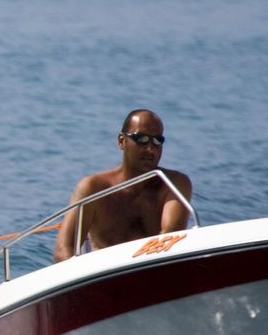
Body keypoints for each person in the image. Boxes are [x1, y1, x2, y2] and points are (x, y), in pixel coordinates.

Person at [53, 108, 194, 261]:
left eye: (157, 141)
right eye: (141, 139)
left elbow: (169, 238)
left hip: (154, 269)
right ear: (121, 141)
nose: (150, 149)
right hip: (104, 275)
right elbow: (63, 250)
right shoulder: (93, 188)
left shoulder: (174, 184)